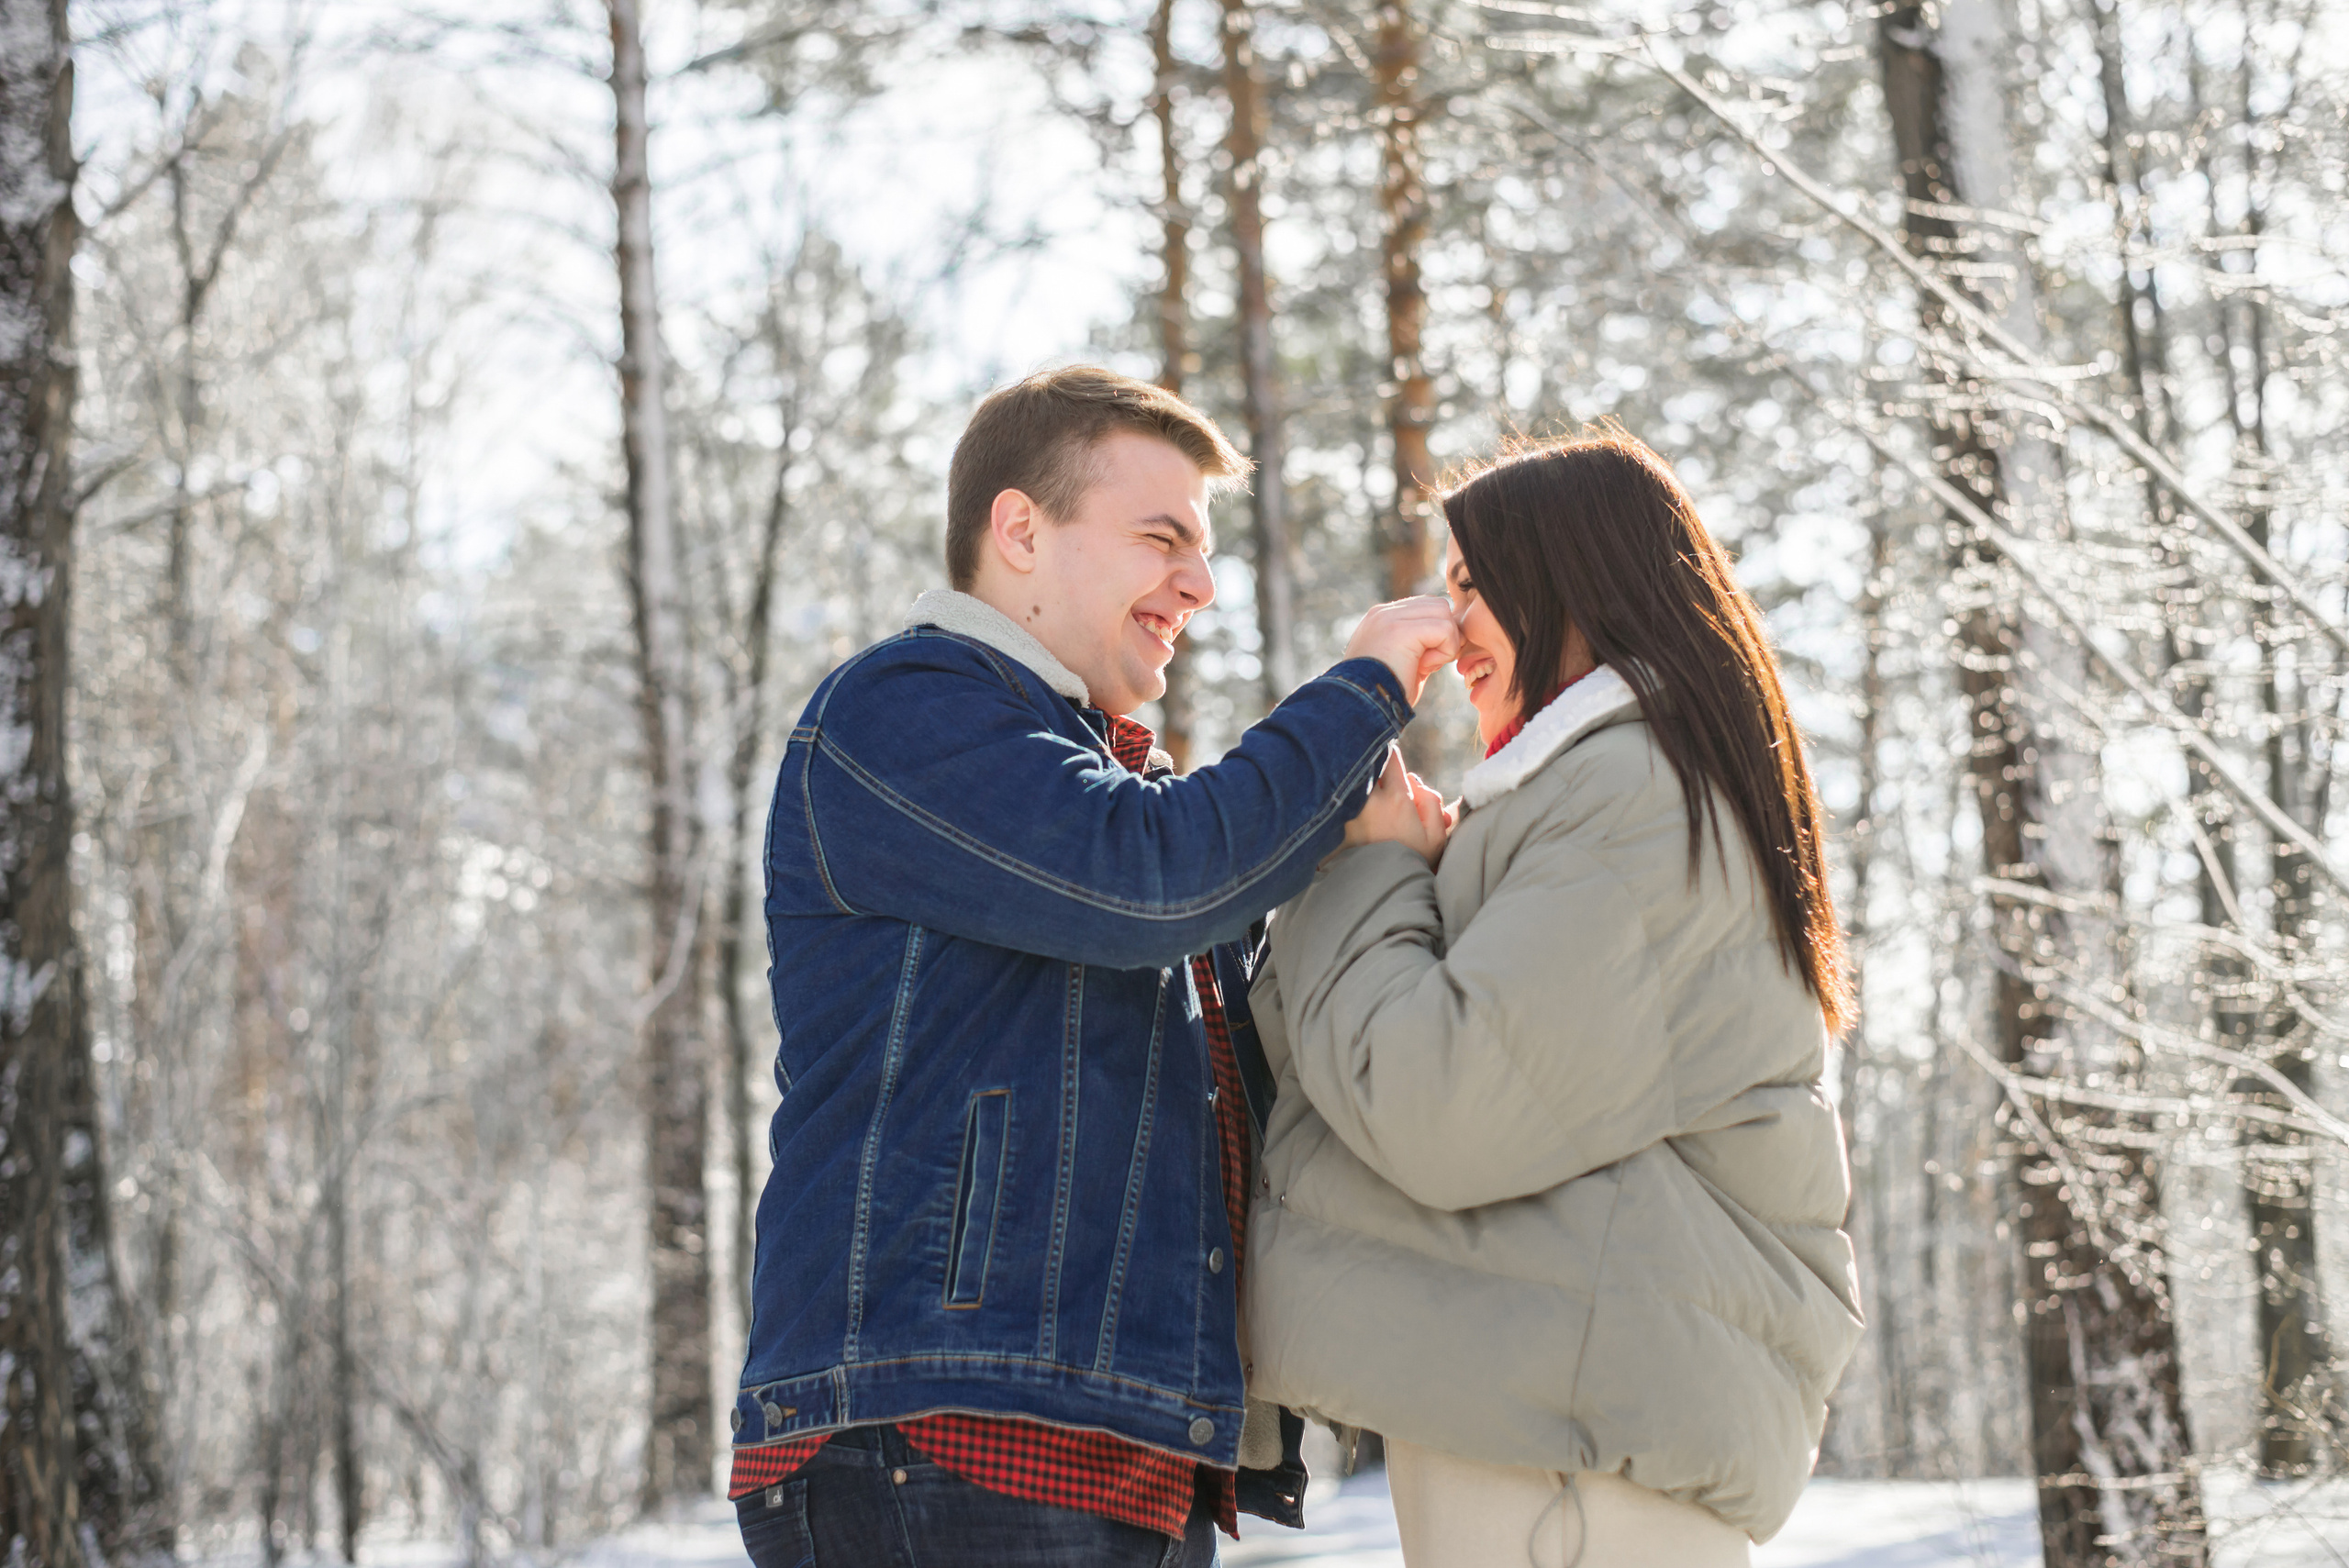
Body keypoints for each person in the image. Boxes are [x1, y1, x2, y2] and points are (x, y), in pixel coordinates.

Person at [728, 365, 1461, 1568]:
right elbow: (1156, 880)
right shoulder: (902, 715)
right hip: (942, 1435)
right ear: (1020, 530)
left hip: (1114, 1446)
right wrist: (1364, 690)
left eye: (1205, 548)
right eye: (1160, 537)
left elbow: (1240, 1044)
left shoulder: (1096, 780)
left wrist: (1373, 863)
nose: (1201, 585)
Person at [1243, 428, 1866, 1567]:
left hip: (1576, 1453)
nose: (1449, 626)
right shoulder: (1601, 795)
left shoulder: (1631, 792)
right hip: (1563, 1415)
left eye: (1474, 585)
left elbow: (1445, 1104)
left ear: (1574, 582)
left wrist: (1376, 869)